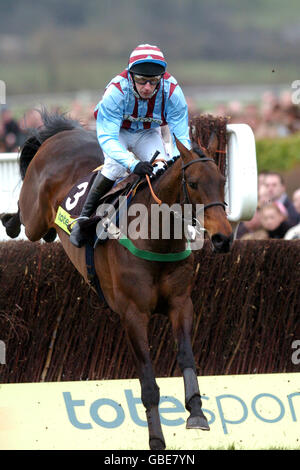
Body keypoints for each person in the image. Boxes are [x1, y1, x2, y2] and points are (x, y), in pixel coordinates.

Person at [70, 44, 191, 247]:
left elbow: (181, 137)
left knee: (163, 170)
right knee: (116, 167)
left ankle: (167, 221)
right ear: (130, 75)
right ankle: (82, 220)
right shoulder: (116, 92)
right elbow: (108, 138)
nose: (147, 88)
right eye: (142, 81)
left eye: (153, 82)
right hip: (119, 132)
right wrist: (133, 163)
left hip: (148, 131)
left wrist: (177, 160)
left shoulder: (172, 91)